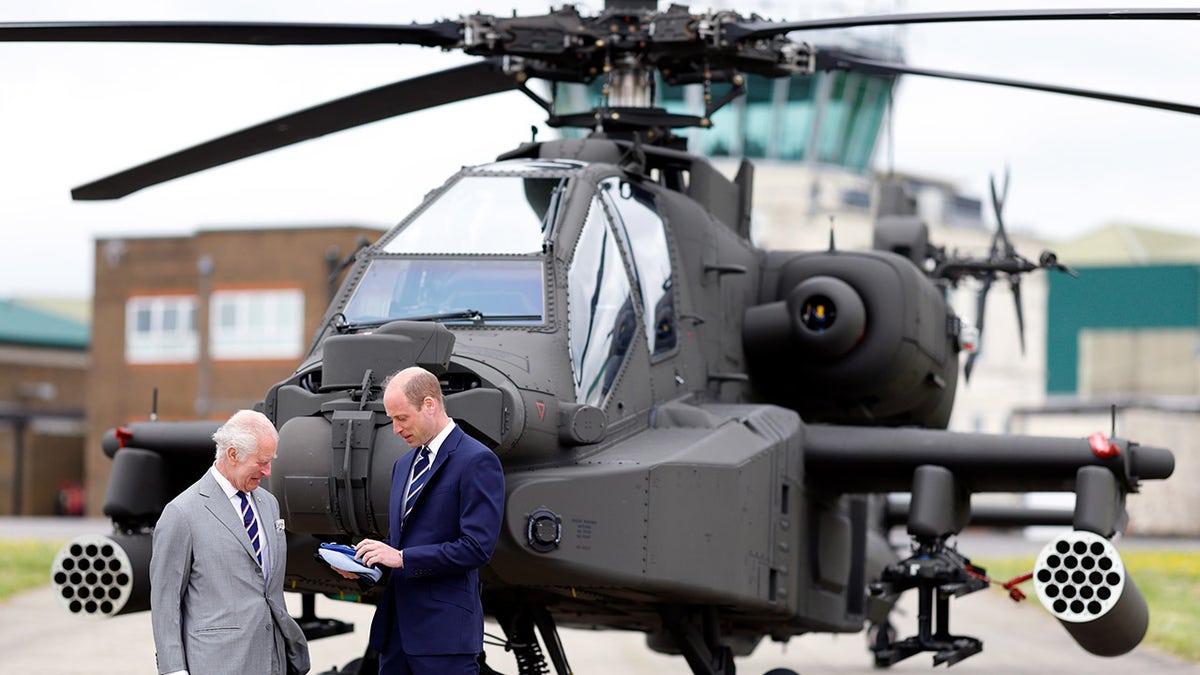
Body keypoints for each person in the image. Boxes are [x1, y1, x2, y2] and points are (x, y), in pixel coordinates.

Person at [350, 366, 505, 675]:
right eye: (392, 419)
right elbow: (401, 544)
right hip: (396, 637)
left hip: (444, 638)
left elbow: (476, 548)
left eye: (402, 418)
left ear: (430, 405)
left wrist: (402, 557)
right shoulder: (404, 465)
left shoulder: (477, 460)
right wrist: (364, 563)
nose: (395, 429)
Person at [149, 409, 310, 675]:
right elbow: (165, 600)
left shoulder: (268, 504)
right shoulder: (182, 513)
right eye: (261, 462)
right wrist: (173, 670)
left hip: (273, 660)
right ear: (233, 454)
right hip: (217, 663)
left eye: (271, 461)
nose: (268, 472)